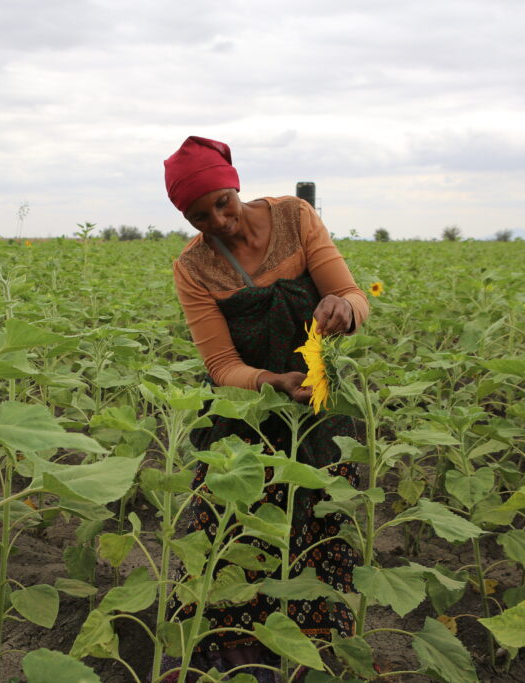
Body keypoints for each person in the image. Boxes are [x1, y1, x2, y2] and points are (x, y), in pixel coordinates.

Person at [162, 136, 369, 681]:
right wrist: (269, 381)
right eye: (199, 215)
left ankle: (310, 655)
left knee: (315, 528)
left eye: (222, 203)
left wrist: (342, 308)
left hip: (318, 408)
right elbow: (221, 364)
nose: (220, 221)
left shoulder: (295, 218)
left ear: (235, 185)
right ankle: (238, 660)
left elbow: (354, 295)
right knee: (231, 537)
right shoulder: (194, 267)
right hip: (244, 416)